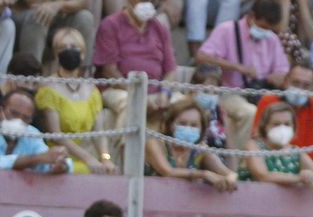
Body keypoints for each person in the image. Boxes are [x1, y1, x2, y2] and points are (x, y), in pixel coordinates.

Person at [196, 0, 291, 142]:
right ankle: (242, 154)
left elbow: (283, 71)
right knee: (250, 112)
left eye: (268, 29)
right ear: (251, 16)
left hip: (261, 93)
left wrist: (276, 77)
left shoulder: (271, 38)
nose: (264, 31)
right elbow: (202, 57)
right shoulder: (227, 29)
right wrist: (238, 67)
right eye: (262, 27)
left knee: (284, 113)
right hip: (230, 92)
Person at [34, 26, 114, 174]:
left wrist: (105, 158)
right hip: (59, 158)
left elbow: (99, 132)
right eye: (63, 47)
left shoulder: (91, 89)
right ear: (56, 54)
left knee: (109, 170)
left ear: (82, 54)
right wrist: (88, 159)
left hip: (87, 157)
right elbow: (56, 135)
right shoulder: (47, 87)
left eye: (73, 47)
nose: (69, 50)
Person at [96, 0, 178, 143]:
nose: (146, 3)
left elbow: (170, 70)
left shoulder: (159, 27)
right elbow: (110, 71)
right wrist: (139, 94)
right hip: (119, 89)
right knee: (133, 103)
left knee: (185, 105)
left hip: (156, 92)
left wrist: (165, 93)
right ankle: (124, 151)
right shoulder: (111, 24)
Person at [0, 87, 71, 172]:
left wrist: (59, 165)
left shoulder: (32, 133)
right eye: (14, 114)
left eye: (25, 118)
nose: (19, 121)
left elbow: (48, 161)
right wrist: (36, 159)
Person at [145, 97, 240, 190]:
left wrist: (230, 179)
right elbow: (168, 172)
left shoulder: (200, 151)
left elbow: (229, 173)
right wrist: (204, 174)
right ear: (170, 124)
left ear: (202, 129)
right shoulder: (155, 143)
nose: (188, 128)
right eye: (182, 123)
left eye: (194, 125)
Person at [242, 100, 313, 195]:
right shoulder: (253, 146)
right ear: (265, 126)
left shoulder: (295, 152)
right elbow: (263, 176)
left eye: (287, 124)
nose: (282, 128)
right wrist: (300, 178)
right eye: (276, 124)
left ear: (294, 127)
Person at [9, 0, 95, 68]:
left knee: (85, 18)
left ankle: (79, 78)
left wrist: (58, 4)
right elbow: (32, 2)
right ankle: (30, 75)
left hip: (56, 19)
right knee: (39, 16)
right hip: (22, 21)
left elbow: (84, 2)